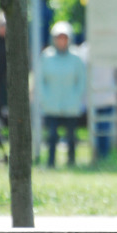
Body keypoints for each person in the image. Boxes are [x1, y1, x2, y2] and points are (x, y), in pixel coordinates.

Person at [38, 21, 86, 167]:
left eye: (64, 38)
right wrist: (45, 99)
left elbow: (81, 80)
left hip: (70, 104)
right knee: (52, 135)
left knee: (71, 136)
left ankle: (71, 161)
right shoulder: (46, 57)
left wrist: (76, 98)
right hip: (51, 104)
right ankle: (50, 162)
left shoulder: (76, 58)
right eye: (59, 38)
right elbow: (40, 81)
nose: (61, 41)